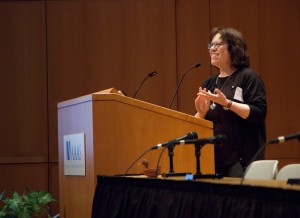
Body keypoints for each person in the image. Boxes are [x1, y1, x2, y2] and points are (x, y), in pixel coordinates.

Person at [194, 27, 267, 177]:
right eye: (211, 45)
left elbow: (259, 113)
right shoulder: (209, 83)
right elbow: (196, 126)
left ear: (234, 48)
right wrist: (201, 113)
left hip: (241, 161)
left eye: (217, 44)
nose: (212, 49)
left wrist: (228, 103)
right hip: (212, 161)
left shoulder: (248, 77)